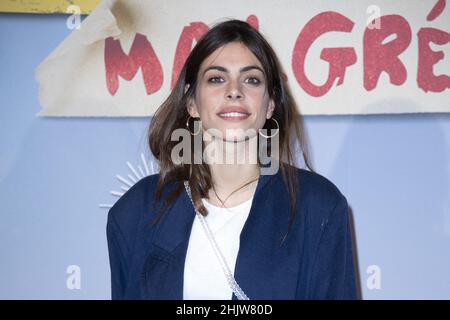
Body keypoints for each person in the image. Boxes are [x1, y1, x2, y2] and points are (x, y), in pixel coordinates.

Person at [106, 19, 358, 300]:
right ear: (192, 103)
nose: (234, 90)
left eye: (251, 79)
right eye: (216, 78)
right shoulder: (137, 210)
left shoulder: (318, 206)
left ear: (270, 104)